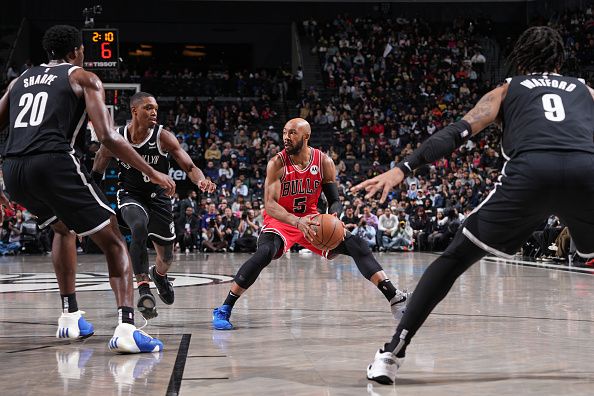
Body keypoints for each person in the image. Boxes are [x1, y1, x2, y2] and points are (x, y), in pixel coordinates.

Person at [353, 26, 594, 384]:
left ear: (523, 58)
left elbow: (457, 132)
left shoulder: (508, 88)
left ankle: (391, 353)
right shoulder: (586, 90)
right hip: (586, 172)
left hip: (530, 174)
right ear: (560, 60)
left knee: (452, 261)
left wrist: (403, 169)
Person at [0, 25, 175, 353]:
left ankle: (69, 317)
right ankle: (126, 327)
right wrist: (151, 170)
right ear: (75, 52)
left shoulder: (19, 80)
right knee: (113, 238)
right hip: (51, 160)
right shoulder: (83, 77)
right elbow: (108, 137)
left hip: (13, 168)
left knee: (62, 228)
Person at [212, 118, 409, 330]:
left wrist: (334, 218)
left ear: (306, 136)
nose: (286, 137)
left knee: (357, 244)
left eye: (293, 133)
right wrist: (297, 221)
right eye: (285, 132)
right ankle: (224, 308)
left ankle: (394, 297)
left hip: (313, 220)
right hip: (282, 220)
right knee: (265, 252)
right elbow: (270, 206)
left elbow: (334, 201)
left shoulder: (323, 162)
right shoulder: (277, 163)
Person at [92, 92, 216, 319]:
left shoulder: (163, 137)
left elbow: (189, 167)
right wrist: (90, 203)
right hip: (130, 194)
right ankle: (144, 289)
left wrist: (201, 181)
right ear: (134, 111)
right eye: (148, 108)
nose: (154, 112)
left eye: (156, 108)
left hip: (158, 197)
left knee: (167, 257)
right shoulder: (115, 138)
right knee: (138, 226)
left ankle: (159, 276)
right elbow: (97, 172)